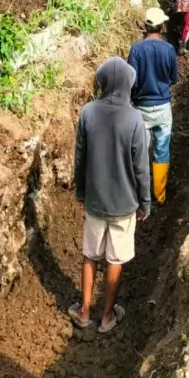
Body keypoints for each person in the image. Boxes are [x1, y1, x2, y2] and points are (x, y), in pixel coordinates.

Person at [70, 56, 151, 334]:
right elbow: (141, 167)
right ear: (129, 84)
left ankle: (84, 311)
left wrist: (81, 191)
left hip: (95, 201)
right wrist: (145, 202)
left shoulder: (88, 112)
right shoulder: (135, 118)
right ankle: (107, 316)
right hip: (124, 205)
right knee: (115, 259)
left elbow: (80, 158)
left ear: (102, 82)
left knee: (90, 255)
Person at [128, 8, 180, 205]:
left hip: (141, 109)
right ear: (162, 26)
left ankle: (140, 196)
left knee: (140, 151)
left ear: (146, 26)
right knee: (162, 150)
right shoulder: (169, 49)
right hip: (163, 107)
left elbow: (132, 81)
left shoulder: (136, 49)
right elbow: (174, 78)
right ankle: (160, 195)